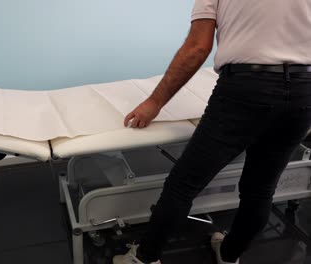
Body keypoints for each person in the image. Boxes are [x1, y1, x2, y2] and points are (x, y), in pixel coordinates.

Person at [113, 0, 311, 263]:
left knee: (183, 185)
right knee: (261, 189)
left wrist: (154, 102)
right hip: (304, 90)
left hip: (246, 89)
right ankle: (229, 256)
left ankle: (145, 258)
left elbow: (197, 48)